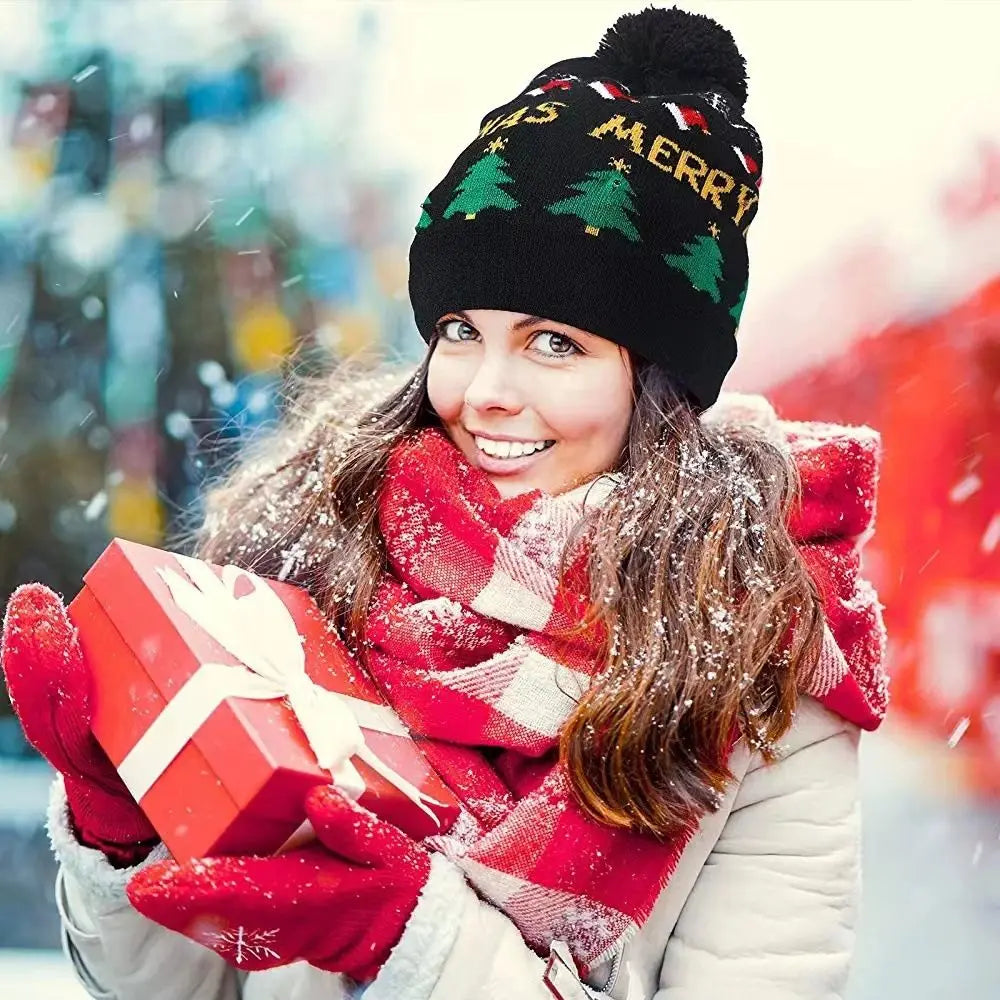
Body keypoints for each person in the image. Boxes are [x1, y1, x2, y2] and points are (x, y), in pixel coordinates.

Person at [1, 7, 889, 999]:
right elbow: (182, 985)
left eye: (556, 341)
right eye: (461, 328)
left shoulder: (758, 691)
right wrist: (122, 831)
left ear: (659, 383)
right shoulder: (311, 564)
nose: (483, 389)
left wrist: (412, 936)